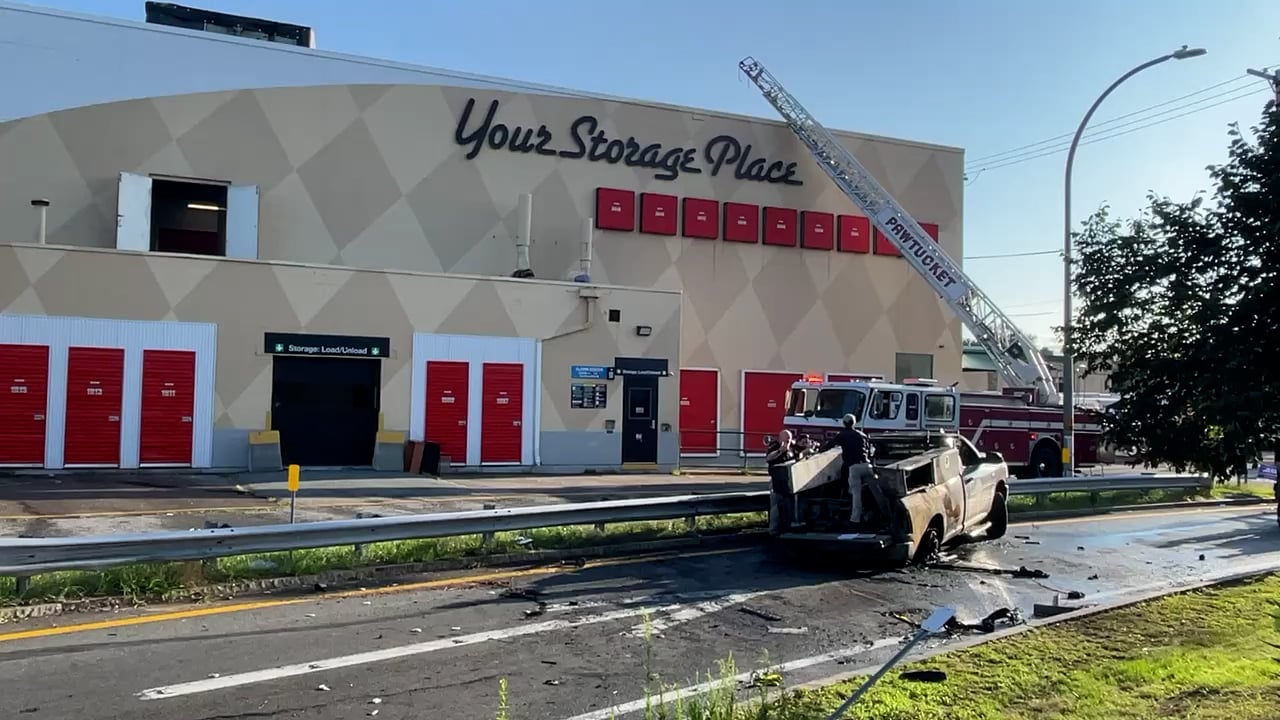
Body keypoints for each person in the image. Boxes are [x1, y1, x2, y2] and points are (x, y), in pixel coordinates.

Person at [819, 414, 876, 522]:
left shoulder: (842, 435)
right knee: (876, 492)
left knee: (856, 495)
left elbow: (829, 446)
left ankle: (855, 520)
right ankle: (883, 512)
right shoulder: (862, 435)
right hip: (867, 465)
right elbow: (870, 450)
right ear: (854, 423)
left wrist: (818, 450)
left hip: (854, 467)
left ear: (844, 423)